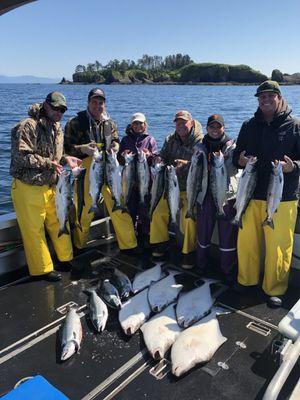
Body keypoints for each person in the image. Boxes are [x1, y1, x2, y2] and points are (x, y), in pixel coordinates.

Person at [232, 80, 300, 307]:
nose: (266, 100)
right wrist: (239, 160)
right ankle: (246, 280)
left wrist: (294, 167)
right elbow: (236, 158)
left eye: (271, 96)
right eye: (262, 97)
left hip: (283, 196)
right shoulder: (248, 125)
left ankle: (275, 288)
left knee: (279, 246)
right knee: (247, 242)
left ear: (280, 98)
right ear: (258, 101)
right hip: (250, 195)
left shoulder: (295, 126)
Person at [10, 92, 82, 281]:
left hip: (52, 185)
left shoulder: (57, 128)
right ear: (45, 105)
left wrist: (66, 158)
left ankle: (66, 259)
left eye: (62, 110)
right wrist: (50, 163)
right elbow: (21, 157)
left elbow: (57, 156)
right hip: (28, 186)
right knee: (34, 231)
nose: (59, 112)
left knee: (59, 222)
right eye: (56, 108)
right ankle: (42, 270)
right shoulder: (27, 126)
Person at [64, 88, 138, 253]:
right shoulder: (74, 123)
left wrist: (116, 146)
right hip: (86, 172)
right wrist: (83, 149)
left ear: (104, 104)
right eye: (94, 102)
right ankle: (79, 245)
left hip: (110, 169)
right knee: (83, 210)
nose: (98, 106)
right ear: (88, 102)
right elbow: (66, 150)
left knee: (119, 205)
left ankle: (129, 245)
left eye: (101, 102)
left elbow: (116, 139)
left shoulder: (110, 123)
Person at [150, 110, 203, 269]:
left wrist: (186, 164)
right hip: (171, 186)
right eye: (177, 122)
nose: (180, 125)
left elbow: (202, 166)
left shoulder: (200, 142)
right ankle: (160, 243)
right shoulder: (170, 139)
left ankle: (188, 253)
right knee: (157, 210)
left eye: (184, 122)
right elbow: (163, 155)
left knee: (189, 217)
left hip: (190, 189)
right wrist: (158, 158)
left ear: (191, 123)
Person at [196, 114, 239, 283]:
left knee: (227, 235)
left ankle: (227, 269)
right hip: (205, 195)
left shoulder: (231, 146)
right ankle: (201, 265)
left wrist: (228, 160)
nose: (215, 130)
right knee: (203, 232)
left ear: (224, 128)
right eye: (212, 127)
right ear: (206, 129)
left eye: (218, 127)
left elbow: (234, 171)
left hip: (226, 196)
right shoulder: (199, 146)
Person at [119, 113, 157, 245]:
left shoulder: (150, 140)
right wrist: (123, 155)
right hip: (130, 182)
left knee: (145, 211)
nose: (138, 126)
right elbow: (119, 160)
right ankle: (131, 239)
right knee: (131, 210)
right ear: (131, 125)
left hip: (145, 182)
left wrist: (150, 155)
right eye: (135, 123)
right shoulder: (124, 140)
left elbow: (155, 161)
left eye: (140, 123)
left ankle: (145, 237)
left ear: (145, 125)